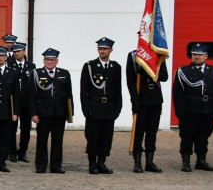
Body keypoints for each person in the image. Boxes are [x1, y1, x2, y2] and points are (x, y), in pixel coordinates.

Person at [172, 43, 213, 172]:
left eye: (200, 55)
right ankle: (186, 161)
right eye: (195, 54)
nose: (197, 57)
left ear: (206, 56)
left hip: (208, 110)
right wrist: (179, 111)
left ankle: (201, 160)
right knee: (187, 136)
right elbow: (177, 93)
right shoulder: (183, 71)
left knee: (203, 136)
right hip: (190, 110)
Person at [80, 37, 122, 174]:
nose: (102, 51)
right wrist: (86, 108)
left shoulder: (116, 67)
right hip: (94, 106)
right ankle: (92, 163)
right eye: (100, 49)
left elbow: (118, 89)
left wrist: (118, 107)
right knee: (93, 136)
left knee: (106, 137)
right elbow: (84, 89)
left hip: (109, 106)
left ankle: (102, 162)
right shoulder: (90, 66)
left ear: (111, 50)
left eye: (104, 49)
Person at [29, 48, 73, 173]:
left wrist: (70, 114)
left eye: (52, 60)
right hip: (43, 113)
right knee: (42, 140)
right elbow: (31, 95)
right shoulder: (36, 73)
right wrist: (33, 113)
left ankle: (56, 166)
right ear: (44, 60)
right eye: (47, 59)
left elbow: (69, 95)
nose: (49, 62)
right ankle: (41, 165)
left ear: (56, 61)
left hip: (60, 113)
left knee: (58, 140)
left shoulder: (64, 73)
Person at [126, 47, 169, 173]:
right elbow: (130, 80)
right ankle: (137, 161)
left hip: (155, 98)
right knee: (139, 131)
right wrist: (134, 100)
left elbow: (164, 76)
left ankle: (149, 162)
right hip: (141, 97)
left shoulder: (159, 55)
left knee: (152, 131)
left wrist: (147, 70)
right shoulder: (134, 55)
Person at [10, 42, 35, 162]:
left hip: (26, 103)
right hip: (13, 102)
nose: (16, 53)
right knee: (11, 129)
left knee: (25, 128)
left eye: (18, 51)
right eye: (14, 51)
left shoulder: (31, 66)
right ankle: (12, 152)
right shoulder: (9, 64)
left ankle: (23, 151)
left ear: (24, 51)